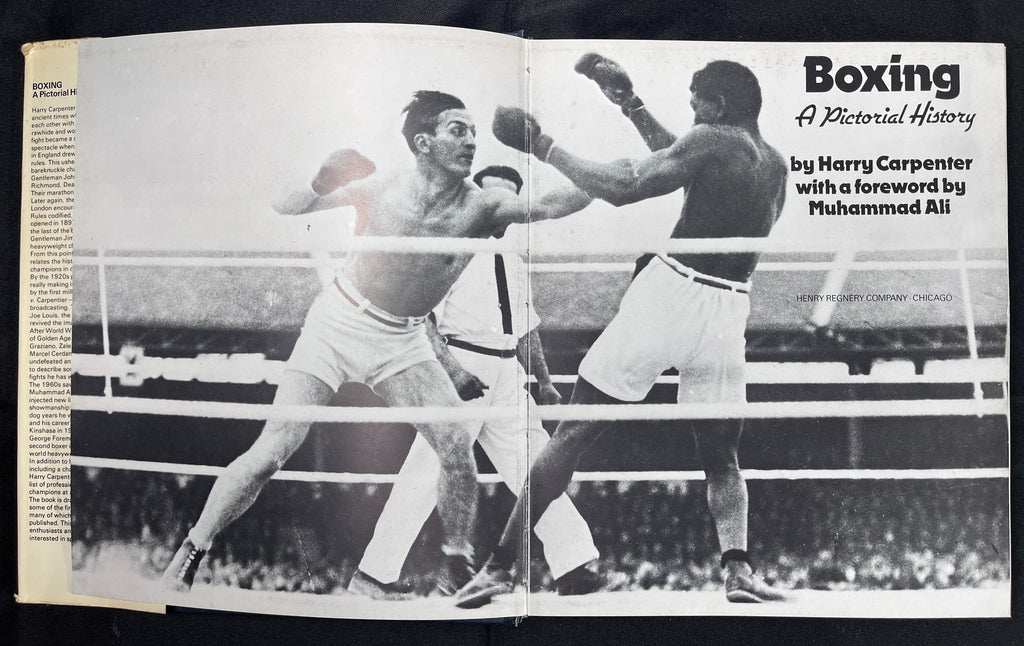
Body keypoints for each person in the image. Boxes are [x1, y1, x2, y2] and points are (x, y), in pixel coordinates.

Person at [162, 91, 593, 594]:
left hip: (401, 339)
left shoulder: (482, 205)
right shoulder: (381, 187)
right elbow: (285, 205)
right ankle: (194, 549)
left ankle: (456, 567)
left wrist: (552, 150)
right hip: (339, 322)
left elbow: (559, 203)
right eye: (458, 130)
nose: (472, 141)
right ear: (423, 142)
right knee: (275, 448)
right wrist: (320, 179)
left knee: (455, 445)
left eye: (474, 132)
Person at [456, 56, 788, 608]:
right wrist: (631, 106)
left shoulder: (710, 140)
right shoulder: (772, 163)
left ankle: (500, 566)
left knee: (574, 432)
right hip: (729, 308)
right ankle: (739, 570)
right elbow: (686, 160)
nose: (691, 114)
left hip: (671, 295)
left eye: (696, 104)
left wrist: (542, 145)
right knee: (721, 454)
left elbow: (628, 185)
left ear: (719, 105)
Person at [348, 166, 603, 599]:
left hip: (508, 372)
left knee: (537, 465)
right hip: (461, 361)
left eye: (509, 199)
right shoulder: (450, 249)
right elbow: (422, 318)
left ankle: (575, 565)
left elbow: (525, 327)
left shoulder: (515, 259)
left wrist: (543, 380)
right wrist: (453, 370)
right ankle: (373, 575)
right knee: (427, 471)